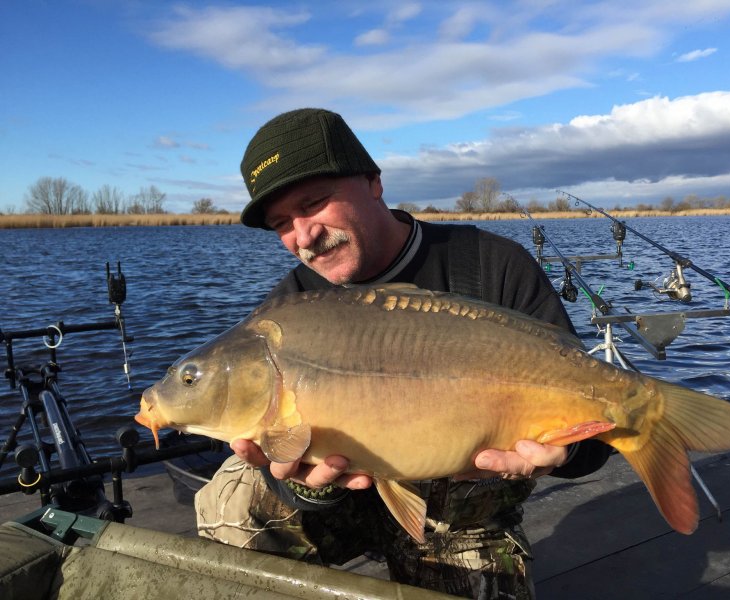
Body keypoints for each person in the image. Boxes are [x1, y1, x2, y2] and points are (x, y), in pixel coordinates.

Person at [195, 108, 610, 599]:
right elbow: (285, 477)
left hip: (458, 513)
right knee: (232, 498)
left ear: (374, 182)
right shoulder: (290, 308)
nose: (304, 237)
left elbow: (593, 446)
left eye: (315, 203)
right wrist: (307, 484)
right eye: (282, 223)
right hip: (344, 500)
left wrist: (562, 450)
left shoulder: (492, 266)